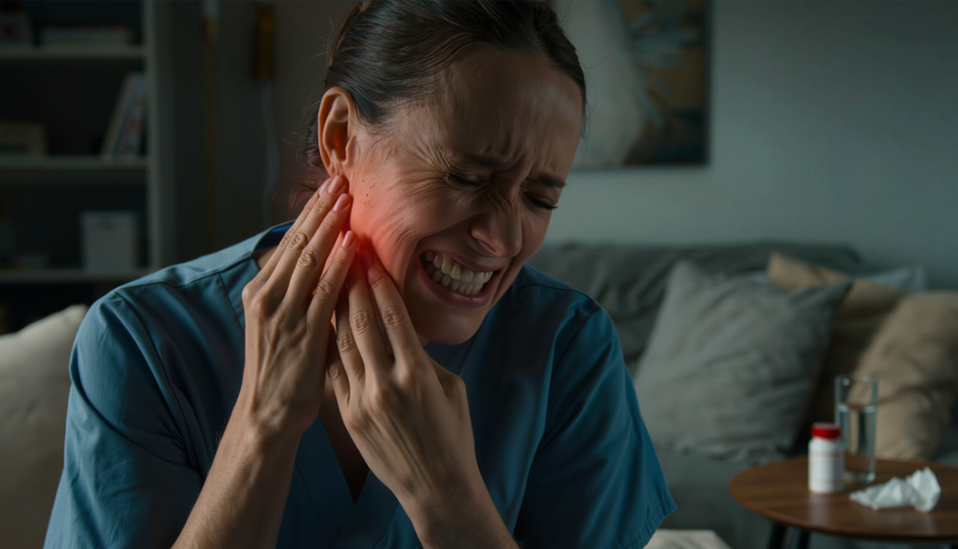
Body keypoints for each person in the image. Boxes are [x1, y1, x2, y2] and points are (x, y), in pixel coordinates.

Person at [44, 1, 674, 548]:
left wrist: (449, 501)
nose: (504, 239)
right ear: (341, 137)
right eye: (466, 178)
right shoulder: (143, 342)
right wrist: (263, 426)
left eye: (540, 199)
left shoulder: (567, 348)